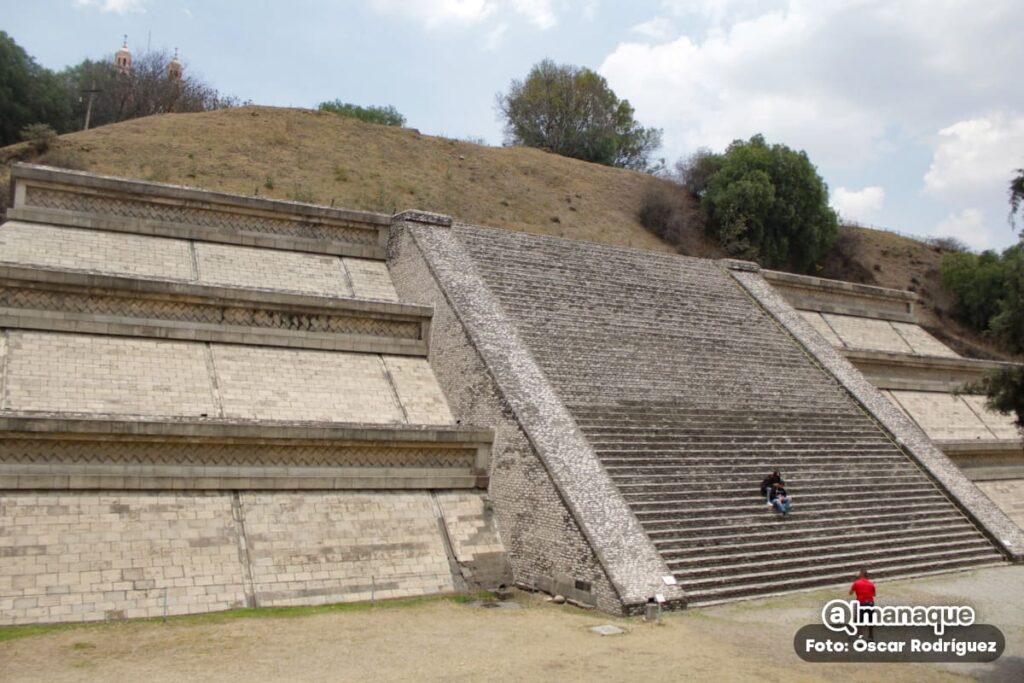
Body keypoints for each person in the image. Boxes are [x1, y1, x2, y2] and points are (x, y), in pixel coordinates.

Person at [849, 568, 876, 640]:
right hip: (870, 603)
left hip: (861, 603)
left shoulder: (856, 583)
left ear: (861, 575)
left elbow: (850, 593)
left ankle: (860, 637)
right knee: (870, 619)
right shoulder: (871, 584)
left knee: (858, 620)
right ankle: (871, 636)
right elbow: (874, 594)